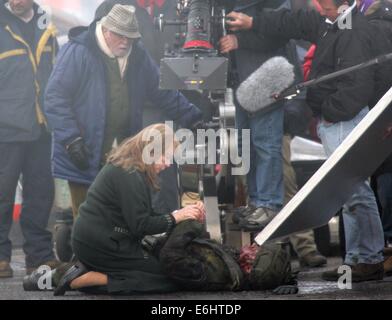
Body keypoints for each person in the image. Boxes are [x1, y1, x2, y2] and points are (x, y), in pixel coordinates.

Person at [225, 0, 385, 282]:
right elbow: (292, 21)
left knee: (354, 192)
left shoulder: (353, 32)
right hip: (336, 120)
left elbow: (359, 82)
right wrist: (254, 24)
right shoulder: (331, 23)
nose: (318, 8)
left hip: (342, 121)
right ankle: (362, 258)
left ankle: (366, 259)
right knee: (351, 192)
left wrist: (330, 113)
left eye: (323, 4)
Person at [44, 4, 203, 221]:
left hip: (122, 152)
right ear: (106, 30)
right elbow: (55, 98)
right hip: (84, 150)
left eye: (131, 37)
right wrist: (72, 140)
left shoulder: (137, 54)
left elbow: (161, 90)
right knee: (87, 218)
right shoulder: (77, 51)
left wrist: (192, 116)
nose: (126, 42)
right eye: (121, 36)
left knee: (120, 217)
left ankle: (115, 253)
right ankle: (87, 254)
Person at [53, 123, 205, 296]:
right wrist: (176, 217)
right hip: (102, 244)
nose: (168, 163)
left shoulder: (131, 169)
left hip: (103, 239)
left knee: (163, 273)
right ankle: (86, 280)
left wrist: (182, 214)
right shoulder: (130, 175)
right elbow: (141, 225)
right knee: (168, 278)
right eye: (166, 157)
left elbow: (143, 217)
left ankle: (91, 272)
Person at [0, 0, 60, 278]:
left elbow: (56, 72)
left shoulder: (45, 22)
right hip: (5, 128)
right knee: (1, 194)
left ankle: (40, 256)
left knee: (40, 194)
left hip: (41, 126)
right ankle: (0, 257)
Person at [219, 0, 289, 232]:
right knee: (246, 145)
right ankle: (257, 201)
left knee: (265, 144)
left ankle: (268, 204)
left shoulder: (275, 4)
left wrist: (240, 40)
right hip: (242, 84)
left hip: (266, 83)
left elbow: (280, 34)